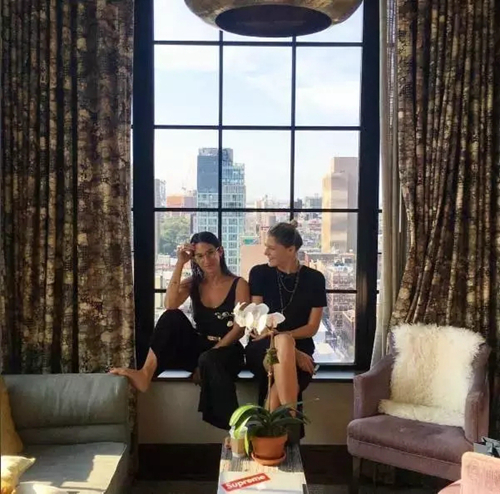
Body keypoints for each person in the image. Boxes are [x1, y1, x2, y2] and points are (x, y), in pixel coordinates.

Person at [111, 231, 250, 430]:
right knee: (172, 317)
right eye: (199, 256)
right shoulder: (194, 282)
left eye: (210, 253)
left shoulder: (239, 284)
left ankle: (235, 428)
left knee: (209, 360)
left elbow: (240, 329)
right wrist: (180, 263)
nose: (206, 260)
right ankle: (145, 374)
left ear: (220, 251)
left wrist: (206, 359)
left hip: (227, 350)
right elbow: (170, 304)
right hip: (199, 347)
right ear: (194, 259)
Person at [245, 220, 327, 412]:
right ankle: (290, 423)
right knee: (284, 352)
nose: (266, 252)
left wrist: (287, 343)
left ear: (291, 250)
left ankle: (268, 426)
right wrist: (291, 351)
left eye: (272, 248)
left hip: (302, 347)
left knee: (278, 384)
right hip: (263, 345)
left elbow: (312, 327)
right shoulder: (259, 273)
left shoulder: (315, 279)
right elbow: (258, 322)